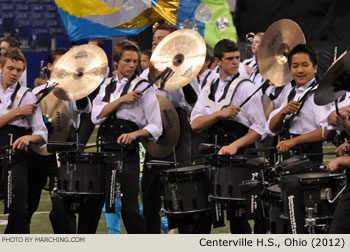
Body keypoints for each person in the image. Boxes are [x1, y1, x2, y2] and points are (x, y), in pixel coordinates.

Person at [191, 39, 267, 233]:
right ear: (217, 61)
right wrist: (218, 114)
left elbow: (259, 129)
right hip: (210, 157)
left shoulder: (246, 87)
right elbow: (195, 123)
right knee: (203, 214)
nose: (235, 63)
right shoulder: (209, 85)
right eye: (230, 59)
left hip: (238, 158)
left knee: (238, 217)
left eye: (238, 58)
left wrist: (235, 145)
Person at [91, 39, 162, 233]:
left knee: (130, 208)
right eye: (127, 61)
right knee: (97, 204)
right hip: (104, 149)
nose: (132, 65)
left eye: (135, 61)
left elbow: (156, 126)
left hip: (128, 152)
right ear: (116, 62)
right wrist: (123, 99)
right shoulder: (106, 85)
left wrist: (134, 134)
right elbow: (96, 117)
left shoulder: (144, 86)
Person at [27, 48, 93, 233]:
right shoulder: (37, 91)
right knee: (29, 202)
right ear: (49, 66)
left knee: (63, 204)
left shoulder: (75, 90)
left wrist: (75, 87)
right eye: (59, 63)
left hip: (64, 150)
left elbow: (85, 108)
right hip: (39, 150)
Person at [140, 22, 196, 234]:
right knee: (150, 188)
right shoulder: (144, 75)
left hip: (177, 126)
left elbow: (194, 102)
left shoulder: (187, 69)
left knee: (179, 188)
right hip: (153, 131)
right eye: (154, 39)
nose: (155, 43)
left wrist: (180, 75)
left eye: (161, 39)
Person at [0, 48, 48, 233]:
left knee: (19, 209)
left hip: (17, 157)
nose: (14, 74)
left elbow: (42, 133)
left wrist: (29, 137)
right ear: (1, 66)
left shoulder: (27, 94)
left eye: (19, 70)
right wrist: (18, 112)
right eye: (11, 68)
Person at [267, 44, 332, 164]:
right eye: (295, 66)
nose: (300, 70)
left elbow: (327, 131)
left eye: (305, 65)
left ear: (315, 68)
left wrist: (295, 141)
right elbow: (271, 128)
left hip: (309, 160)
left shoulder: (319, 94)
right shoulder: (290, 92)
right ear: (290, 70)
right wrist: (282, 112)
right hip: (287, 158)